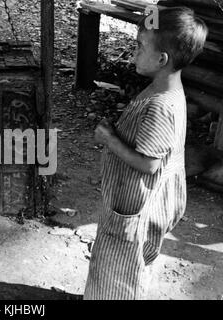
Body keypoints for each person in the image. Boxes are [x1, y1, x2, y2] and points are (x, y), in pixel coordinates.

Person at [84, 7, 208, 300]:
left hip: (136, 206)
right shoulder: (166, 89)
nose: (133, 51)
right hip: (139, 201)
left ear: (161, 59)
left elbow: (149, 164)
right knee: (123, 265)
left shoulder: (160, 106)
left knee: (120, 271)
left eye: (140, 46)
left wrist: (109, 138)